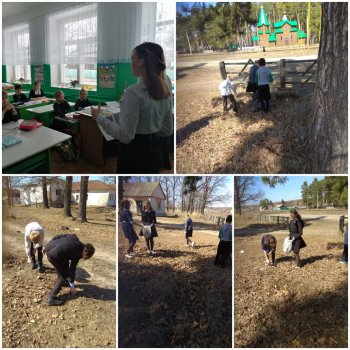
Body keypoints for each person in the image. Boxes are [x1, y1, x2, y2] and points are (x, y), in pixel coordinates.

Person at [90, 42, 173, 174]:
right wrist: (150, 133)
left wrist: (99, 117)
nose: (131, 62)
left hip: (134, 155)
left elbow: (125, 136)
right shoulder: (166, 90)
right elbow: (167, 129)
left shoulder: (133, 92)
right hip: (154, 153)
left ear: (141, 61)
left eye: (132, 58)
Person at [43, 234, 95, 306]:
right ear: (85, 251)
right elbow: (72, 269)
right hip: (54, 255)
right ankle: (51, 298)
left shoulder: (74, 237)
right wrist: (72, 286)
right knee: (62, 276)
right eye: (85, 257)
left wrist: (47, 247)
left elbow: (57, 236)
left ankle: (64, 283)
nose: (84, 258)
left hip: (51, 249)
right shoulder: (77, 253)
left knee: (64, 266)